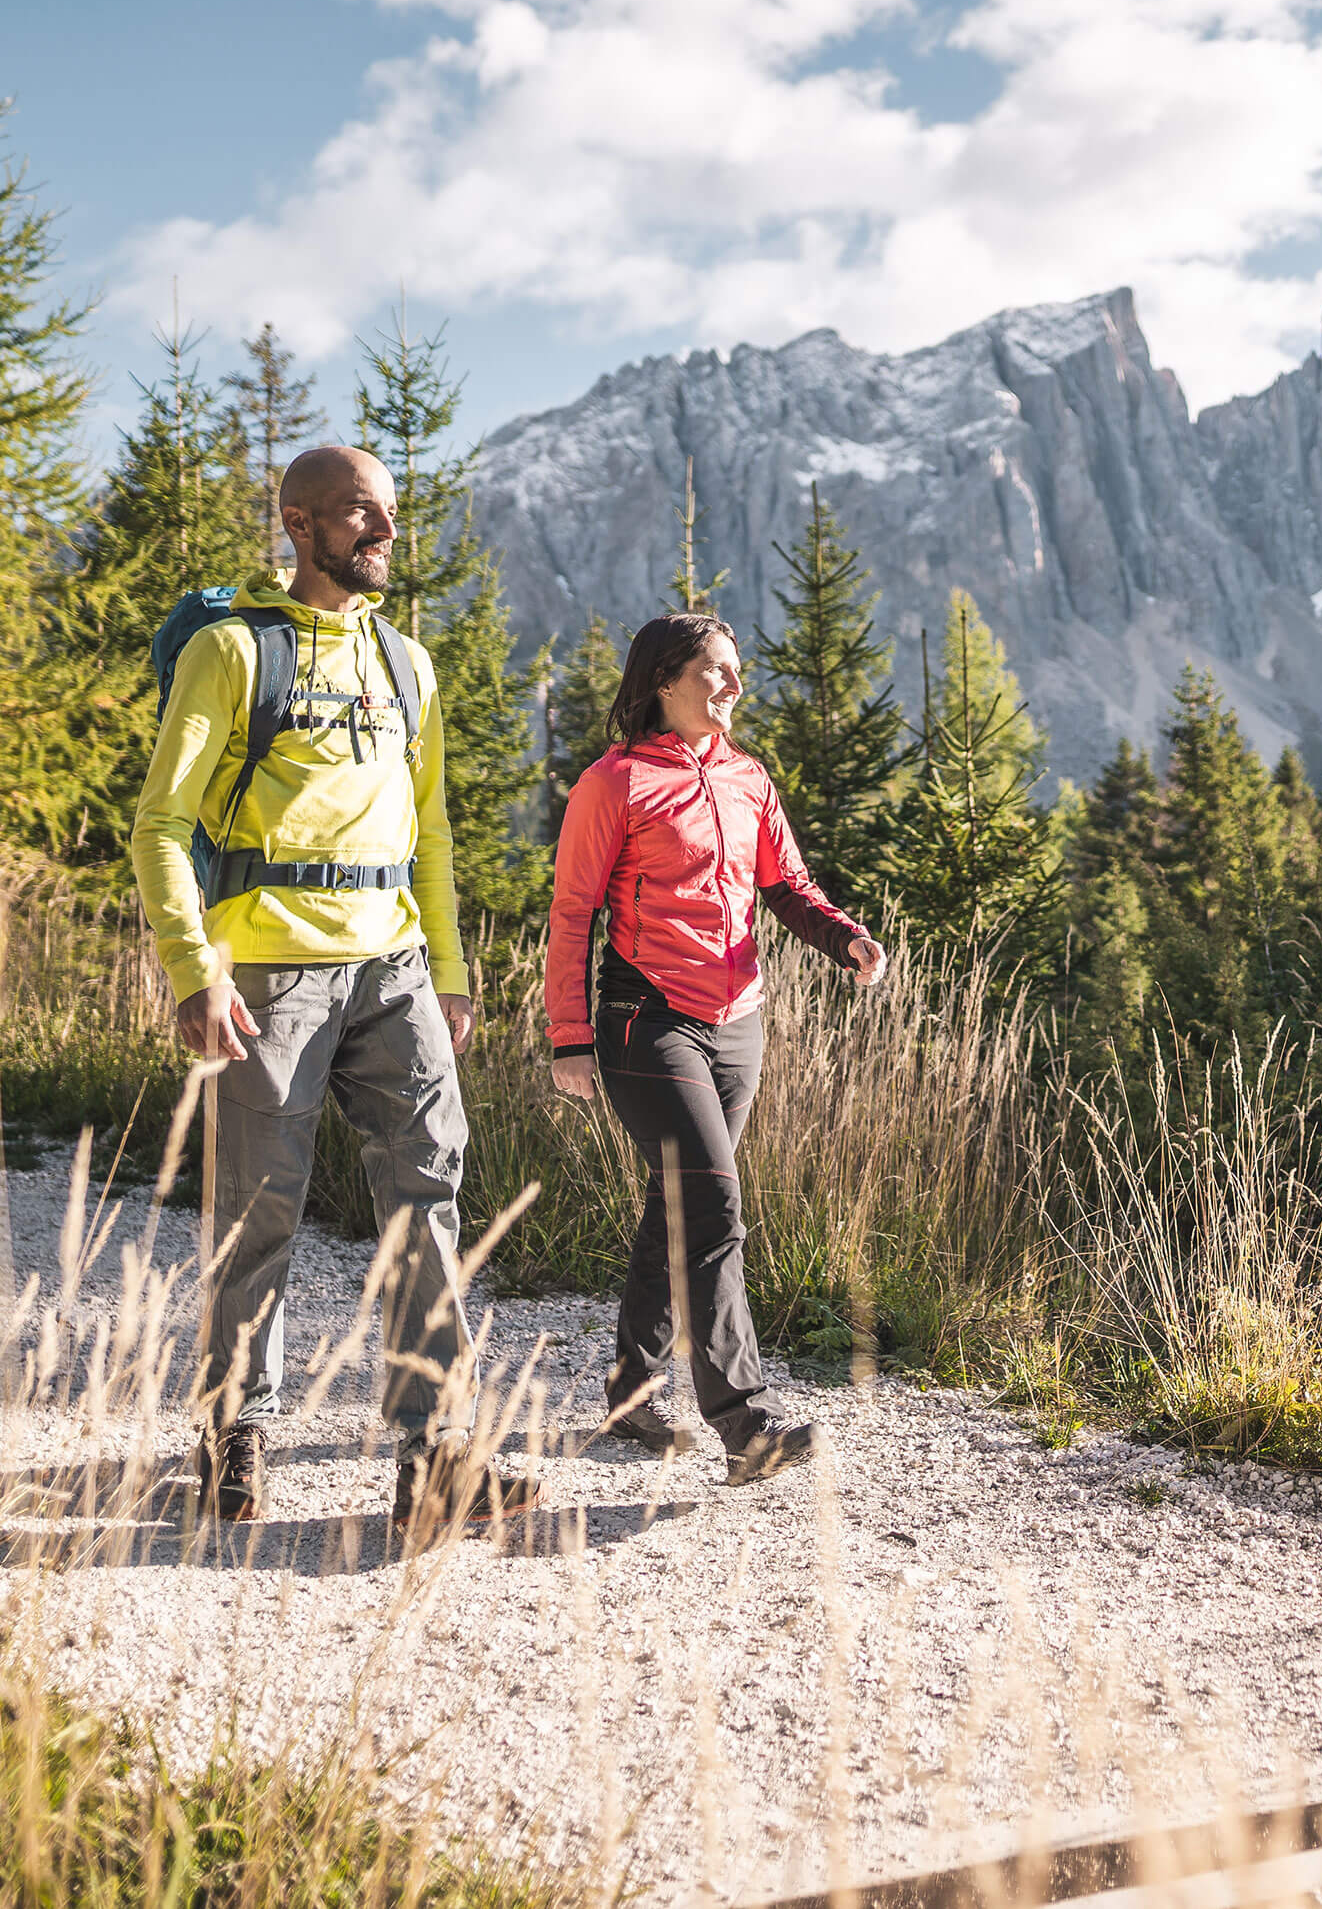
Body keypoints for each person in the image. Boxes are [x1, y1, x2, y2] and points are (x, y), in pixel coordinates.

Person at [132, 444, 539, 1536]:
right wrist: (193, 967)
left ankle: (436, 1454)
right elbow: (162, 825)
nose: (384, 531)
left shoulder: (408, 665)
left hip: (395, 967)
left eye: (389, 513)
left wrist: (447, 974)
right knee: (257, 1212)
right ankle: (234, 1434)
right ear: (298, 521)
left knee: (429, 1195)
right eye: (360, 512)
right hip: (266, 970)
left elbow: (432, 833)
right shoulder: (232, 651)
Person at [546, 612, 886, 1485]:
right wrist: (570, 1037)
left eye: (737, 670)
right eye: (716, 672)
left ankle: (628, 1394)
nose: (734, 685)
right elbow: (575, 913)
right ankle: (745, 1419)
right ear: (666, 681)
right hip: (645, 1020)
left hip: (739, 1024)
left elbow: (787, 884)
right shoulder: (616, 782)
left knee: (680, 1205)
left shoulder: (746, 777)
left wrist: (844, 937)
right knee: (713, 1209)